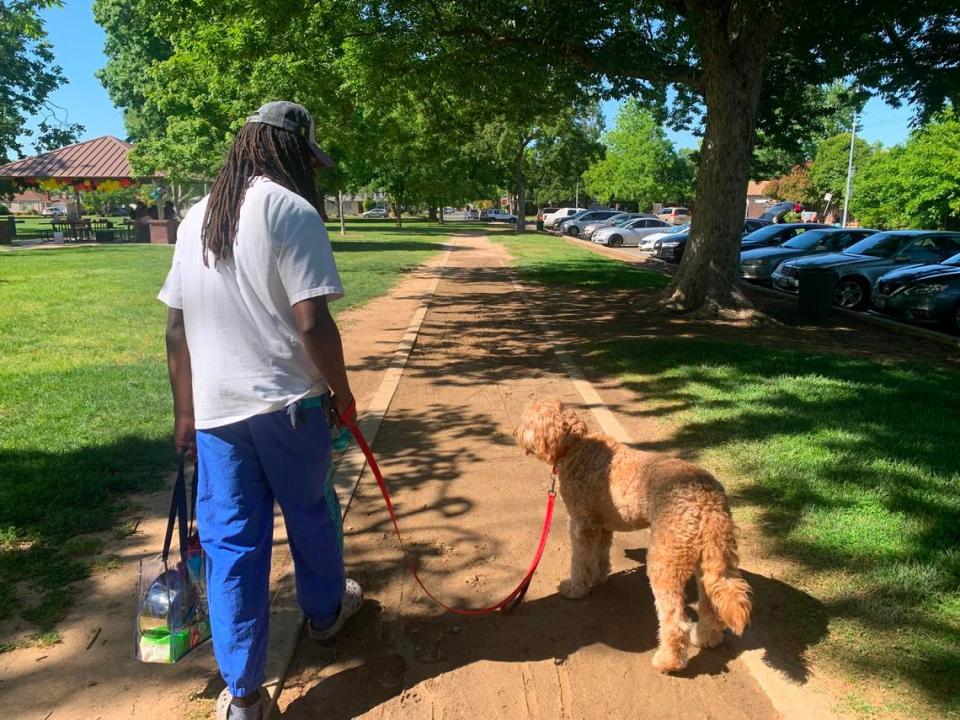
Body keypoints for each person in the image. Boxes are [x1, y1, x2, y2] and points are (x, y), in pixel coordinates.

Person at [158, 101, 360, 720]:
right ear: (291, 151)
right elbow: (312, 322)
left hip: (218, 417)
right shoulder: (291, 210)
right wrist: (344, 394)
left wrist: (185, 414)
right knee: (311, 515)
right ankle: (326, 614)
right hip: (290, 406)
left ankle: (243, 695)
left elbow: (174, 330)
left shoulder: (196, 218)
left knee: (232, 546)